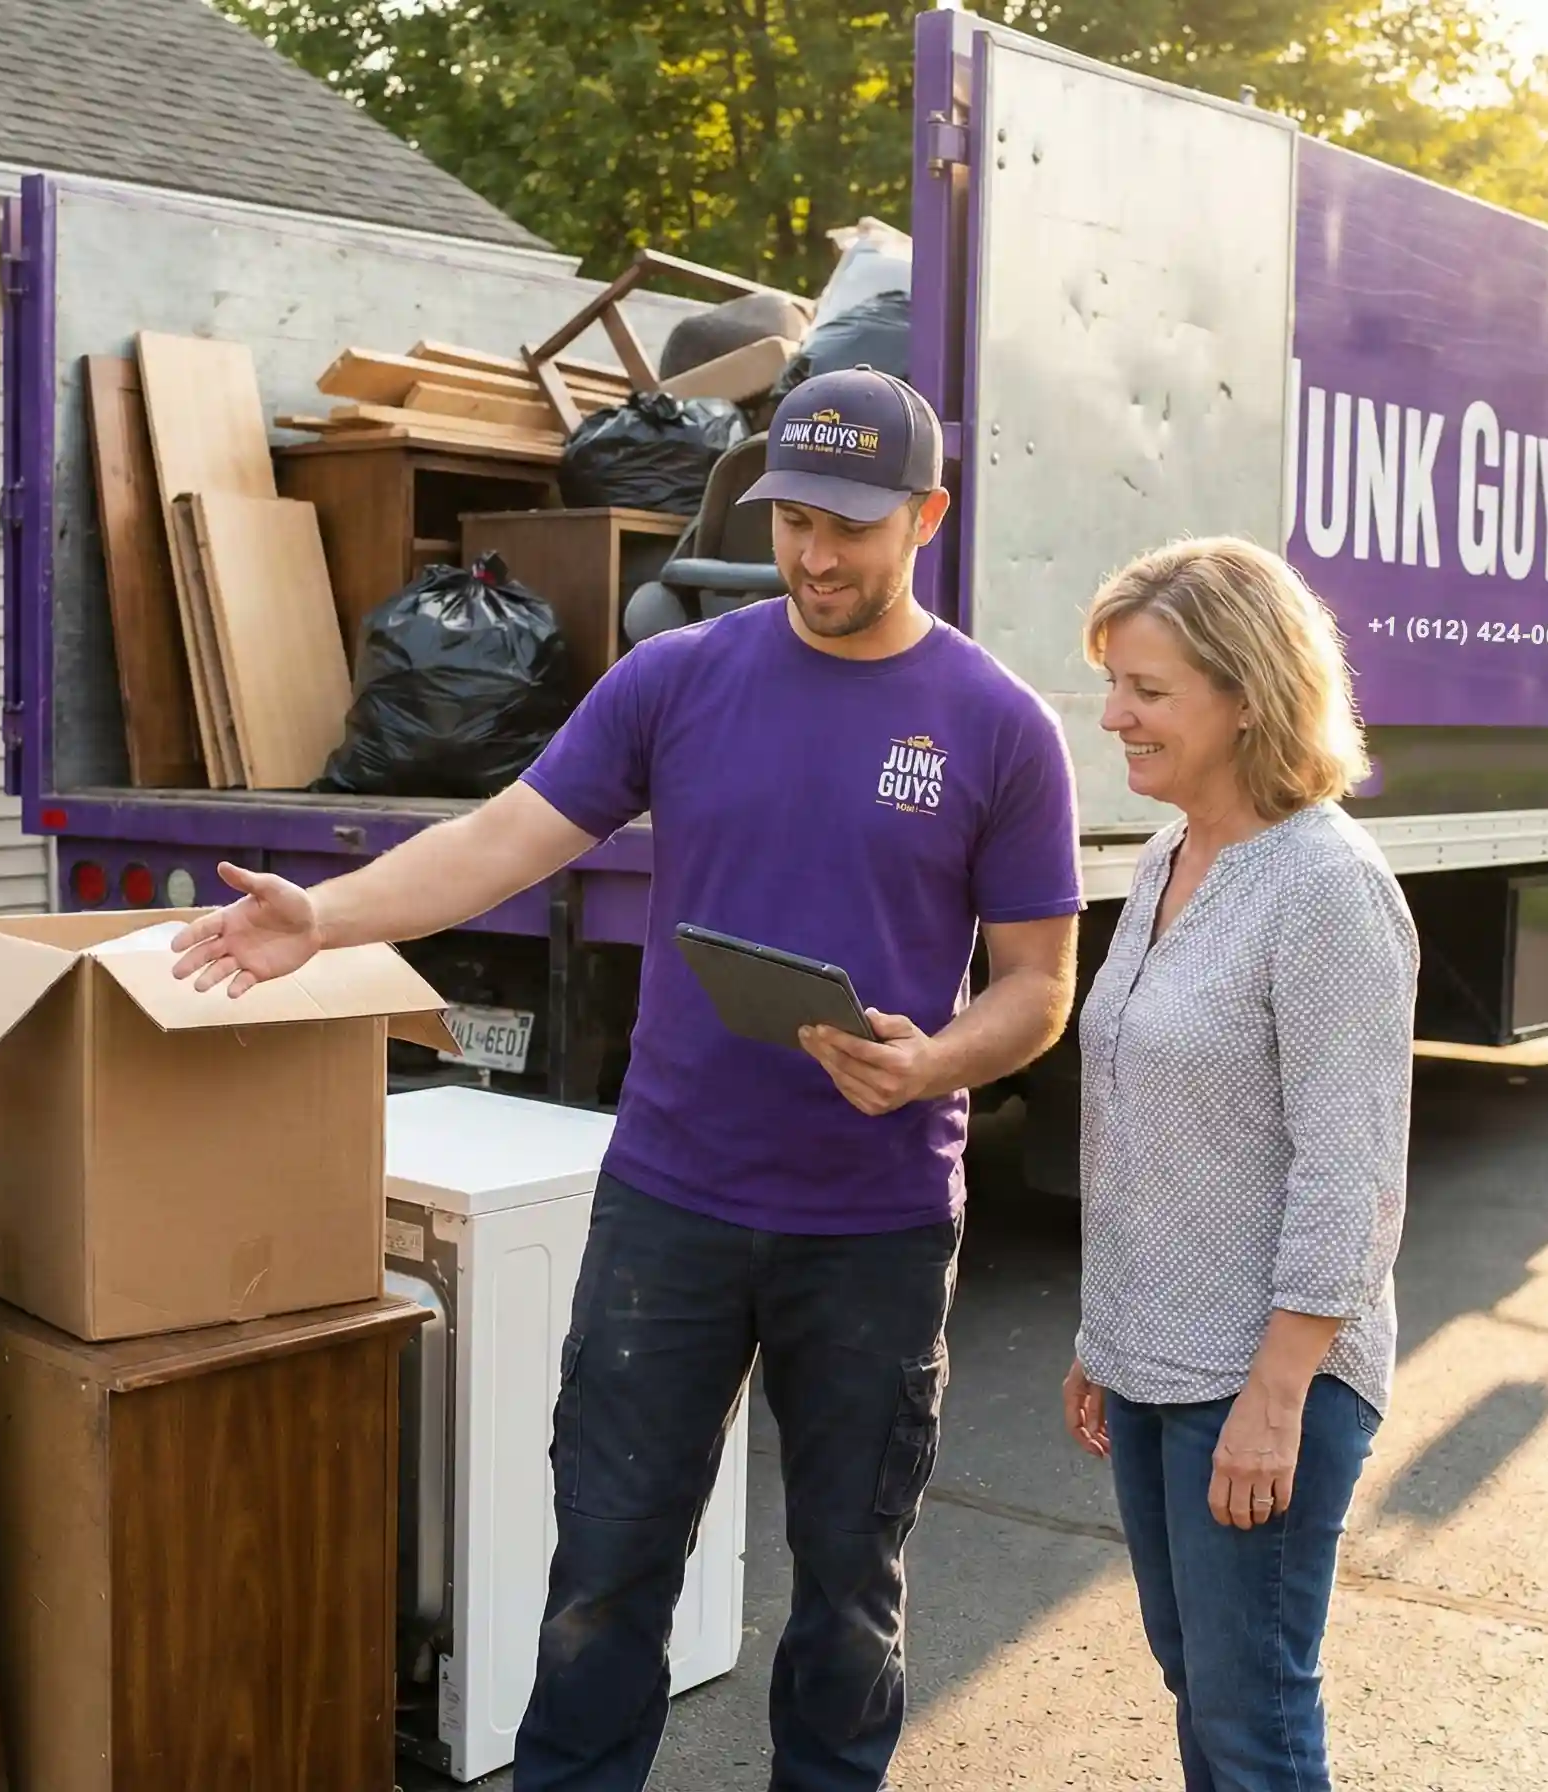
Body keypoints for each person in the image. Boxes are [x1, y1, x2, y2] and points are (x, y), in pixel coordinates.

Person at [171, 367, 1084, 1790]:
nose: (816, 555)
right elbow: (502, 838)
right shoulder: (679, 678)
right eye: (793, 519)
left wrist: (934, 1066)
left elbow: (1037, 985)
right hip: (672, 1205)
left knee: (849, 1591)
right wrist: (325, 914)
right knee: (604, 1575)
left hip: (878, 1225)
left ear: (928, 516)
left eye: (851, 525)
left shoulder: (998, 725)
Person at [1060, 538, 1417, 1792]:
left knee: (1252, 1719)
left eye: (1147, 691)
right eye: (1116, 685)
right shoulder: (1169, 857)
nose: (1114, 716)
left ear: (1247, 693)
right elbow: (1141, 1115)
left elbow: (1352, 1174)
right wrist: (1109, 1334)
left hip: (1266, 1378)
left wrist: (1274, 1401)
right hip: (1160, 1357)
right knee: (1201, 1690)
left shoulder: (1324, 888)